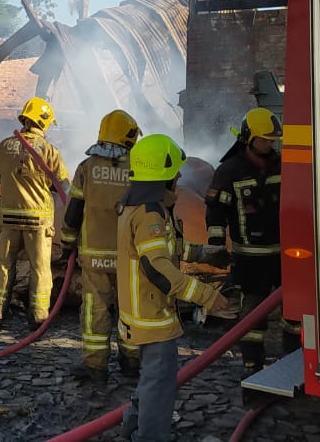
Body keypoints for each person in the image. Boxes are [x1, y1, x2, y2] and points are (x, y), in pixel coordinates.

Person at [118, 134, 230, 442]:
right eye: (175, 172)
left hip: (142, 311)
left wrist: (204, 253)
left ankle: (132, 427)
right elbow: (158, 268)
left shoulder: (142, 205)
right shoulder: (149, 214)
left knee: (151, 379)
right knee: (159, 384)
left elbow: (163, 252)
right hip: (152, 316)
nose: (180, 176)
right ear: (163, 174)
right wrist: (207, 296)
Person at [204, 107, 300, 373]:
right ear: (249, 138)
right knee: (252, 315)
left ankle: (294, 359)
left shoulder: (283, 165)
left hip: (284, 255)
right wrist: (216, 244)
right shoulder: (229, 171)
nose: (269, 144)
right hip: (250, 258)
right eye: (264, 139)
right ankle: (252, 365)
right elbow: (215, 209)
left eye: (272, 140)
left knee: (294, 313)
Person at [60, 109, 141, 385]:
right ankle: (132, 363)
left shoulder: (87, 168)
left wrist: (66, 242)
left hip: (95, 255)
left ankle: (96, 366)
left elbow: (74, 211)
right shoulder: (139, 167)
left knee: (96, 309)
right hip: (130, 254)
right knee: (130, 309)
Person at [0, 96, 69, 329]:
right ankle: (39, 316)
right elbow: (63, 184)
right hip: (38, 221)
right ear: (43, 122)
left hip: (10, 218)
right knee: (40, 269)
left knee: (4, 264)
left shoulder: (4, 146)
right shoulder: (50, 150)